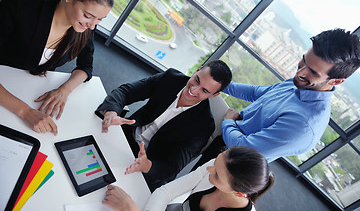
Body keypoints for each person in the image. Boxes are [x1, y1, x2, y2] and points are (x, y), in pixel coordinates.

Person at [194, 28, 360, 168]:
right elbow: (256, 93)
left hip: (232, 165)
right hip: (228, 136)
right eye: (303, 61)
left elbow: (245, 149)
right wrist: (215, 82)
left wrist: (228, 122)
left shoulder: (305, 124)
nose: (300, 72)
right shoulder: (299, 83)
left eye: (313, 72)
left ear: (336, 81)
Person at [0, 0, 113, 135]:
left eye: (99, 20)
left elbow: (86, 67)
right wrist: (25, 112)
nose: (92, 26)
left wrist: (64, 90)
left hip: (27, 89)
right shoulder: (20, 6)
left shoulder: (83, 28)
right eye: (88, 16)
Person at [95, 60, 232, 191]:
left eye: (205, 91)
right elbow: (126, 92)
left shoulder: (204, 126)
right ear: (197, 70)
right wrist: (112, 112)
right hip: (124, 136)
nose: (194, 90)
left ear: (214, 95)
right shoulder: (171, 78)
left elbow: (172, 168)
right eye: (196, 80)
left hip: (145, 163)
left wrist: (147, 165)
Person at [102, 146, 275, 211]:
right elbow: (165, 191)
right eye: (216, 161)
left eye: (216, 175)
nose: (208, 169)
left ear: (238, 193)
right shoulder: (218, 165)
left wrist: (131, 209)